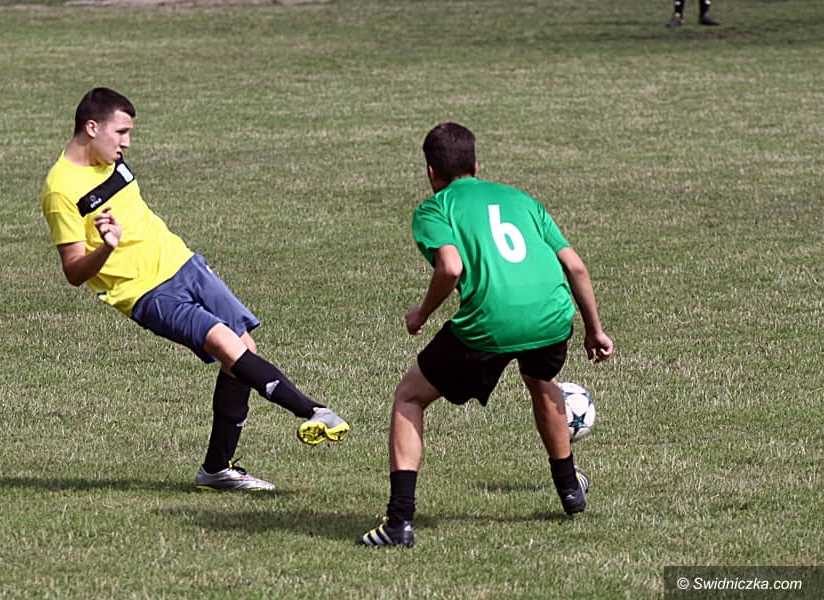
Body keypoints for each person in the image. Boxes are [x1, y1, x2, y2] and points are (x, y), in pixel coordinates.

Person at [41, 87, 349, 492]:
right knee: (225, 344)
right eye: (121, 132)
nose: (127, 143)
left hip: (183, 263)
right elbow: (73, 271)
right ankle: (313, 410)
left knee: (243, 348)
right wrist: (107, 248)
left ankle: (217, 469)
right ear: (92, 127)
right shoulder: (61, 189)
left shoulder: (110, 159)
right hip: (145, 292)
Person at [357, 123, 613, 547]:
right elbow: (576, 266)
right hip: (552, 316)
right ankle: (570, 489)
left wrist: (421, 313)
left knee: (410, 397)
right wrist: (595, 330)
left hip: (490, 322)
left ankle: (399, 522)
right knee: (541, 380)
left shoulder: (435, 208)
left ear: (431, 172)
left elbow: (450, 267)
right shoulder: (521, 199)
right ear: (476, 165)